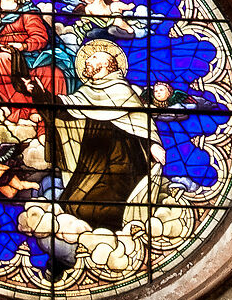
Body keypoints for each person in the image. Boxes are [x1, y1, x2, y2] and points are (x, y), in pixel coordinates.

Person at [59, 39, 166, 231]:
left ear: (106, 65)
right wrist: (38, 95)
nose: (87, 62)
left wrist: (153, 144)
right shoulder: (86, 92)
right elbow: (65, 110)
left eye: (92, 58)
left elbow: (141, 122)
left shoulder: (122, 91)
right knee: (69, 203)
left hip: (122, 160)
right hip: (92, 158)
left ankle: (110, 240)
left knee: (98, 206)